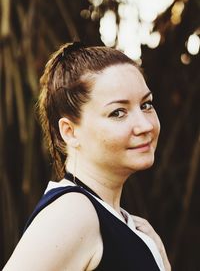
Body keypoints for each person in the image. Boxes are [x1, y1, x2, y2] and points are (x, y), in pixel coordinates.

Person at [4, 42, 171, 271]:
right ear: (70, 132)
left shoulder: (123, 223)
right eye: (118, 112)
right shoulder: (73, 213)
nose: (144, 125)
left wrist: (158, 256)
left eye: (146, 105)